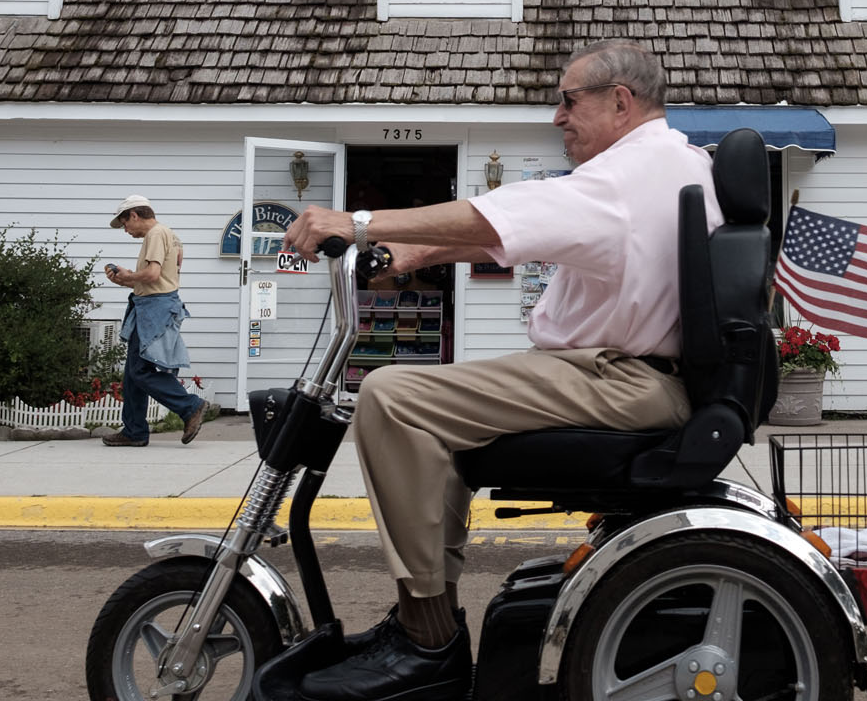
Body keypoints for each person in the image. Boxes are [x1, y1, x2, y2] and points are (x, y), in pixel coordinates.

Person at [280, 40, 722, 701]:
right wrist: (411, 253)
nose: (557, 117)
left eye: (569, 100)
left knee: (394, 396)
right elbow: (514, 233)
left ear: (620, 102)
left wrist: (359, 222)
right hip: (628, 375)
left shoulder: (631, 174)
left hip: (625, 380)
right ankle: (419, 621)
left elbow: (504, 213)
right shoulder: (666, 163)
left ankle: (428, 642)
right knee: (432, 415)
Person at [101, 195, 208, 448]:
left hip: (154, 308)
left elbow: (152, 274)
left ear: (135, 215)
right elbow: (160, 277)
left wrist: (130, 274)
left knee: (141, 371)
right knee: (132, 374)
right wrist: (123, 279)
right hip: (154, 304)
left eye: (125, 223)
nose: (126, 230)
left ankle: (190, 406)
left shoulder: (156, 234)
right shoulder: (170, 235)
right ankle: (135, 430)